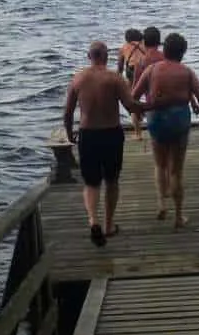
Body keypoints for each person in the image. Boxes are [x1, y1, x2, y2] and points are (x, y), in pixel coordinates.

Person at [63, 41, 147, 246]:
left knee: (91, 183)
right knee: (111, 181)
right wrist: (152, 105)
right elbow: (130, 105)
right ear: (106, 56)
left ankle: (93, 221)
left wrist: (69, 133)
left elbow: (67, 112)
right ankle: (109, 225)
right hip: (111, 134)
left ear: (89, 56)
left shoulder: (78, 79)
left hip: (88, 134)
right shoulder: (115, 78)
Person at [132, 31, 199, 229]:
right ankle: (179, 216)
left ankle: (161, 204)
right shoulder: (187, 72)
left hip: (157, 119)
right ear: (182, 53)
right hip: (179, 121)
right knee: (176, 170)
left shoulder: (152, 70)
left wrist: (143, 110)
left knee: (160, 165)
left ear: (164, 50)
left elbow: (133, 97)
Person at [116, 28, 147, 140]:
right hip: (146, 70)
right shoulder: (145, 45)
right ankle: (143, 113)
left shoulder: (124, 47)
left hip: (132, 71)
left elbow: (120, 68)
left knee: (132, 100)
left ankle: (138, 134)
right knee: (149, 97)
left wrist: (118, 79)